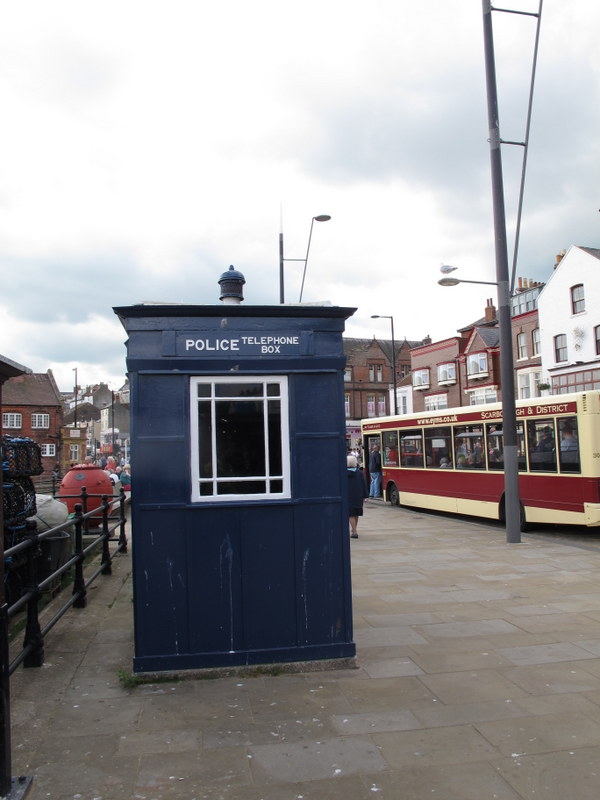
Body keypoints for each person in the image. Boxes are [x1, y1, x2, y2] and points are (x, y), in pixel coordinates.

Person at [347, 455, 368, 539]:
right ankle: (354, 529)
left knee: (351, 514)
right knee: (356, 513)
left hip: (348, 495)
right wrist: (365, 496)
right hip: (359, 495)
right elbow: (364, 484)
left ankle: (354, 532)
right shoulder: (359, 472)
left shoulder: (344, 473)